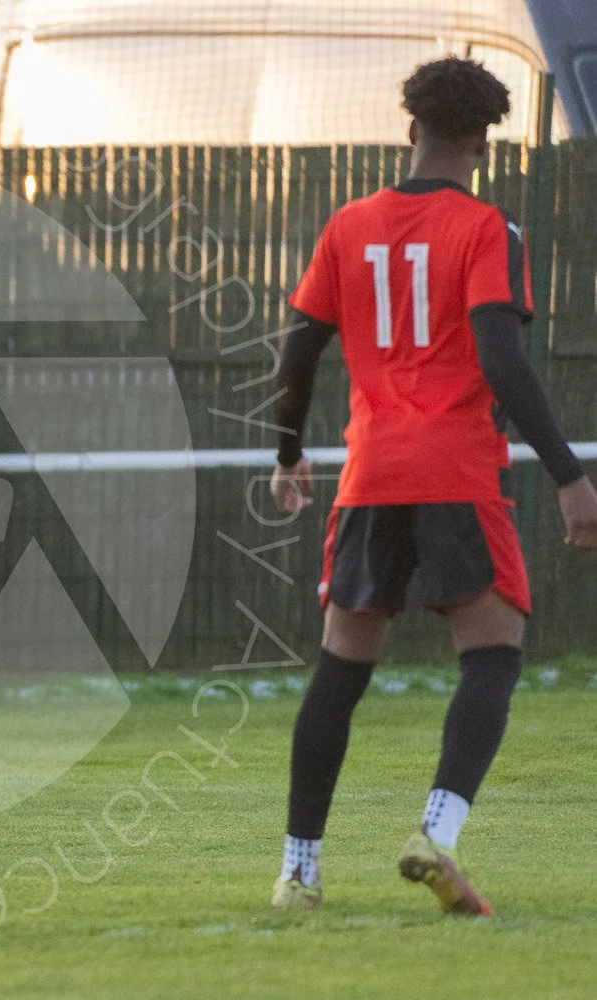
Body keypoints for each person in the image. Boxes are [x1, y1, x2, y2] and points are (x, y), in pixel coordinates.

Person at [267, 56, 597, 914]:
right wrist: (570, 476)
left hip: (370, 475)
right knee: (492, 657)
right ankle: (436, 835)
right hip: (455, 472)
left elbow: (298, 351)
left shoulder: (347, 225)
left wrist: (286, 450)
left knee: (339, 675)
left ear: (409, 129)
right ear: (484, 146)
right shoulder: (491, 230)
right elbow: (501, 356)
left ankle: (299, 873)